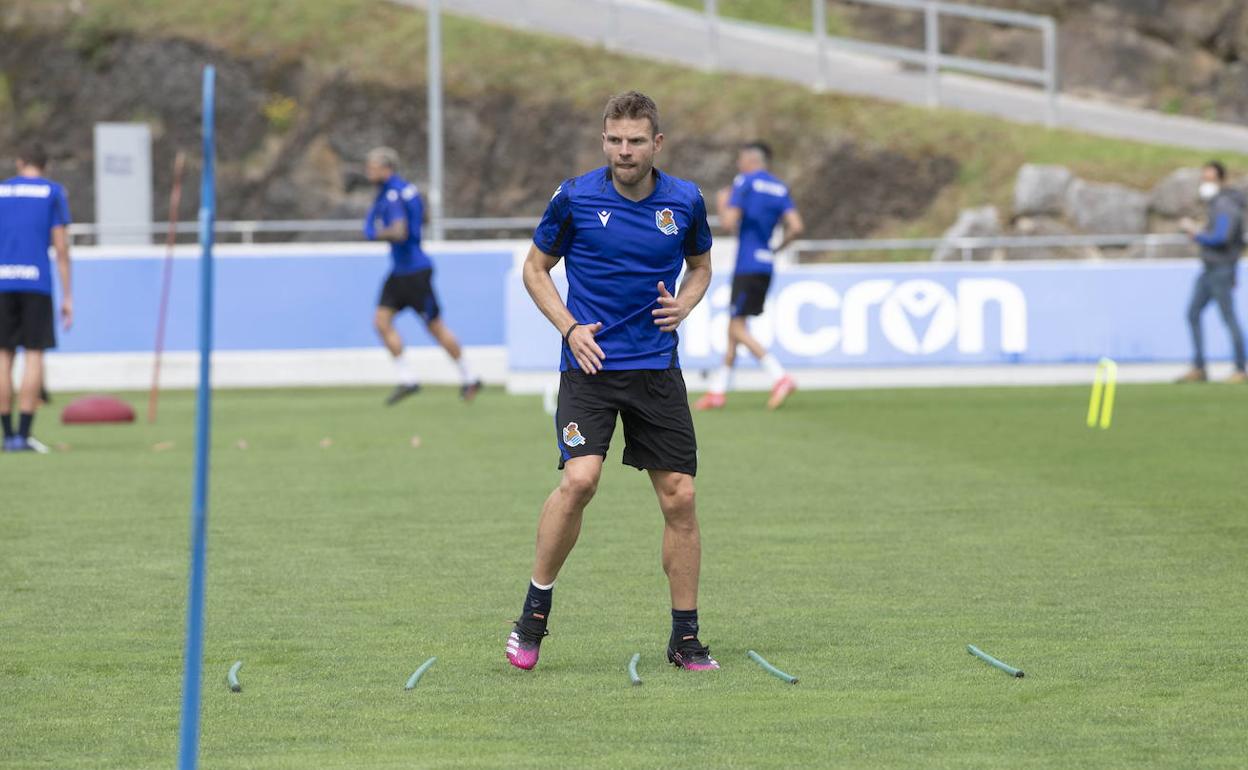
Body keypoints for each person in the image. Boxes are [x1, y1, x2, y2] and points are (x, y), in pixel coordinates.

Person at [507, 91, 717, 672]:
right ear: (604, 141)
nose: (624, 151)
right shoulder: (574, 197)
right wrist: (570, 328)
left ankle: (686, 639)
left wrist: (686, 306)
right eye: (614, 140)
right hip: (590, 367)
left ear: (657, 143)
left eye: (635, 141)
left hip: (655, 368)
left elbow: (700, 267)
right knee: (580, 480)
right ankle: (533, 613)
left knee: (681, 495)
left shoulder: (686, 200)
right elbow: (534, 268)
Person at [362, 147, 482, 404]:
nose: (368, 172)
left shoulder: (393, 194)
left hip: (414, 272)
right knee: (381, 321)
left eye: (372, 167)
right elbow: (423, 217)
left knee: (435, 327)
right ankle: (408, 378)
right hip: (400, 271)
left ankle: (470, 376)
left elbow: (399, 232)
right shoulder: (408, 190)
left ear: (386, 168)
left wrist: (374, 233)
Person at [695, 141, 804, 411]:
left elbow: (730, 222)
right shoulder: (779, 187)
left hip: (746, 265)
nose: (737, 164)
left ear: (749, 160)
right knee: (736, 325)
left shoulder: (744, 182)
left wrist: (723, 203)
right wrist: (777, 248)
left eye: (739, 159)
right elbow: (796, 227)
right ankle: (718, 391)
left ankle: (779, 376)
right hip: (766, 264)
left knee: (736, 328)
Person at [0, 144, 72, 453]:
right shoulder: (53, 193)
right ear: (46, 164)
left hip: (2, 281)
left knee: (3, 357)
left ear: (20, 163)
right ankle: (24, 435)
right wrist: (68, 295)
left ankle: (6, 436)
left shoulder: (2, 191)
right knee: (33, 355)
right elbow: (62, 248)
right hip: (36, 283)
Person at [1177, 161, 1247, 384]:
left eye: (1209, 179)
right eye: (1204, 179)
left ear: (1220, 180)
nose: (1205, 183)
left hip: (1221, 269)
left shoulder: (1225, 205)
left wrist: (1196, 234)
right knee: (1193, 313)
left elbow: (1222, 237)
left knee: (1228, 317)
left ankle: (1240, 368)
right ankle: (1199, 367)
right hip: (1208, 269)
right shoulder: (1215, 204)